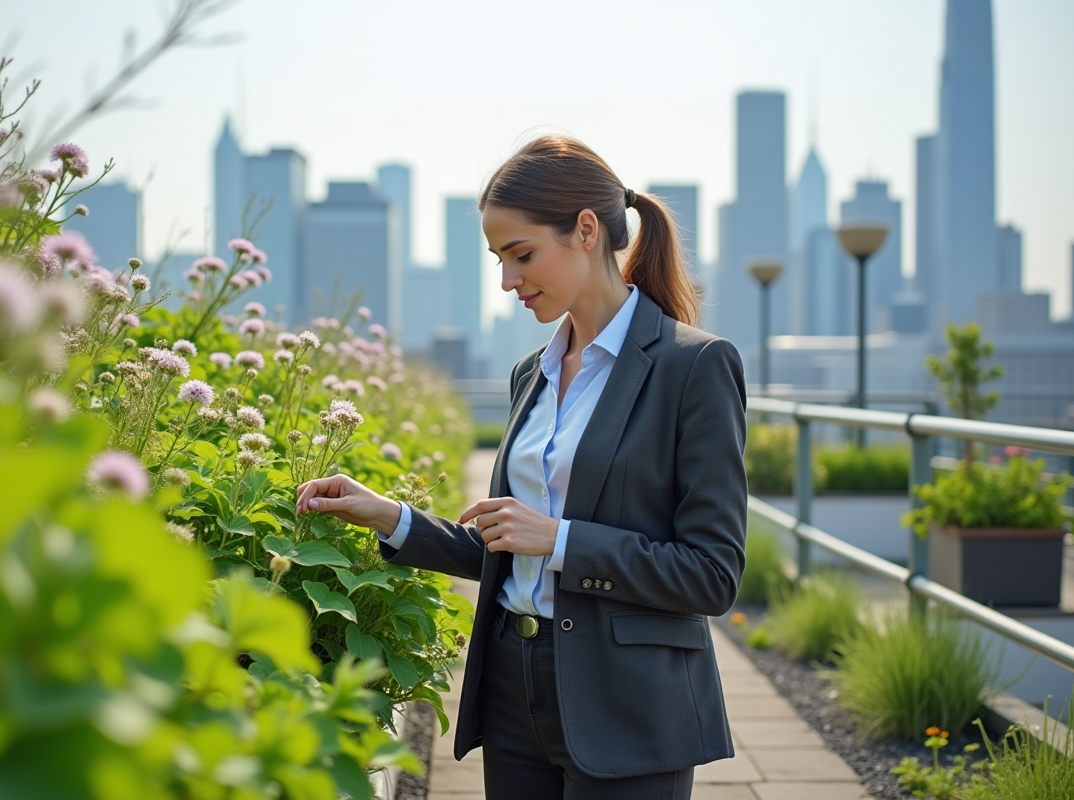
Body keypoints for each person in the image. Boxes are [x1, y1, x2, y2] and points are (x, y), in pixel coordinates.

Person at [296, 135, 747, 800]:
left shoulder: (695, 367)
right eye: (498, 259)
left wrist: (561, 540)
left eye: (521, 254)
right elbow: (510, 545)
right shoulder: (528, 375)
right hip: (511, 684)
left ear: (586, 231)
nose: (508, 281)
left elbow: (712, 575)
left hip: (625, 701)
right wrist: (390, 517)